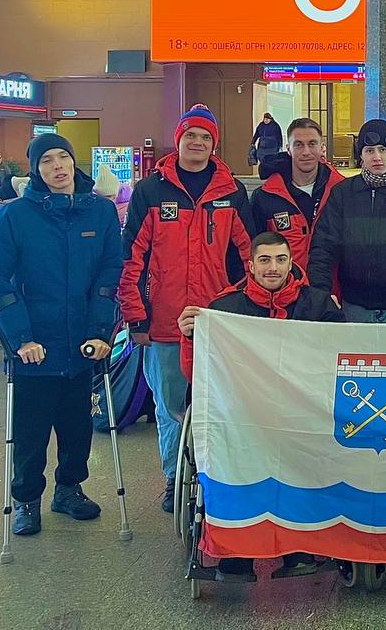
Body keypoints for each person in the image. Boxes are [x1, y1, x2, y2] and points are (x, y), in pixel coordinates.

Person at [177, 231, 343, 580]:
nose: (273, 268)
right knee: (235, 453)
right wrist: (190, 337)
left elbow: (340, 360)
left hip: (301, 412)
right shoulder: (224, 309)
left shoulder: (319, 306)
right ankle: (237, 552)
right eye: (264, 260)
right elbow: (197, 374)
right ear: (250, 265)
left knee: (305, 449)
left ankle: (299, 548)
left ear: (291, 263)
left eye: (280, 260)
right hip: (242, 414)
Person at [0, 133, 123, 537]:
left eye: (63, 157)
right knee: (30, 431)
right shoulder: (14, 216)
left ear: (74, 162)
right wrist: (21, 338)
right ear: (35, 170)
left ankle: (69, 489)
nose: (57, 166)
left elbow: (109, 274)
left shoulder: (100, 212)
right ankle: (27, 500)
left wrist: (100, 330)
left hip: (82, 345)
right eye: (46, 160)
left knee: (78, 426)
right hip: (35, 347)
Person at [120, 104, 254, 513]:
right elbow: (131, 258)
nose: (197, 142)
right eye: (190, 135)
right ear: (178, 140)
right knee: (171, 408)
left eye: (205, 137)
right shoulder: (150, 191)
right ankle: (175, 477)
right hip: (165, 323)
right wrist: (135, 315)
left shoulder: (231, 192)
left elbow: (249, 256)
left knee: (221, 406)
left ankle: (217, 476)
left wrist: (246, 310)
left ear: (214, 145)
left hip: (219, 322)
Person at [308, 119, 386, 324]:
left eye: (383, 150)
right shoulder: (343, 194)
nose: (377, 157)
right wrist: (320, 295)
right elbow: (323, 247)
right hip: (353, 306)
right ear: (360, 155)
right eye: (369, 151)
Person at [251, 117, 344, 273]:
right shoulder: (265, 197)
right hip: (286, 286)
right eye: (298, 145)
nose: (306, 152)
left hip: (331, 286)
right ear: (288, 149)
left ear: (322, 148)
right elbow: (253, 250)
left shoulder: (341, 192)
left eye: (312, 144)